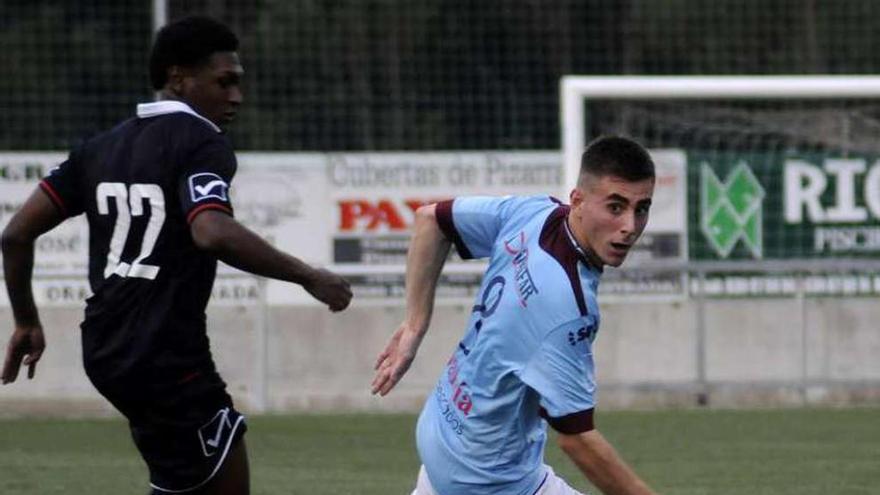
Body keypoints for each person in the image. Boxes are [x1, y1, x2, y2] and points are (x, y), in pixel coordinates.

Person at [1, 16, 352, 495]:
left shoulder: (99, 148)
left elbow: (15, 235)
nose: (236, 97)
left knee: (182, 479)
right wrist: (309, 276)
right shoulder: (201, 142)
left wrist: (25, 320)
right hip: (164, 353)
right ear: (177, 77)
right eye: (224, 82)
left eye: (238, 84)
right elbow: (211, 230)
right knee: (222, 476)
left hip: (104, 349)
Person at [372, 135, 658, 495]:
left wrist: (415, 324)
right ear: (578, 201)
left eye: (641, 208)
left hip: (443, 437)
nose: (630, 226)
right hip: (487, 480)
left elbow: (431, 220)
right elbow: (577, 440)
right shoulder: (566, 306)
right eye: (615, 207)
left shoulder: (535, 213)